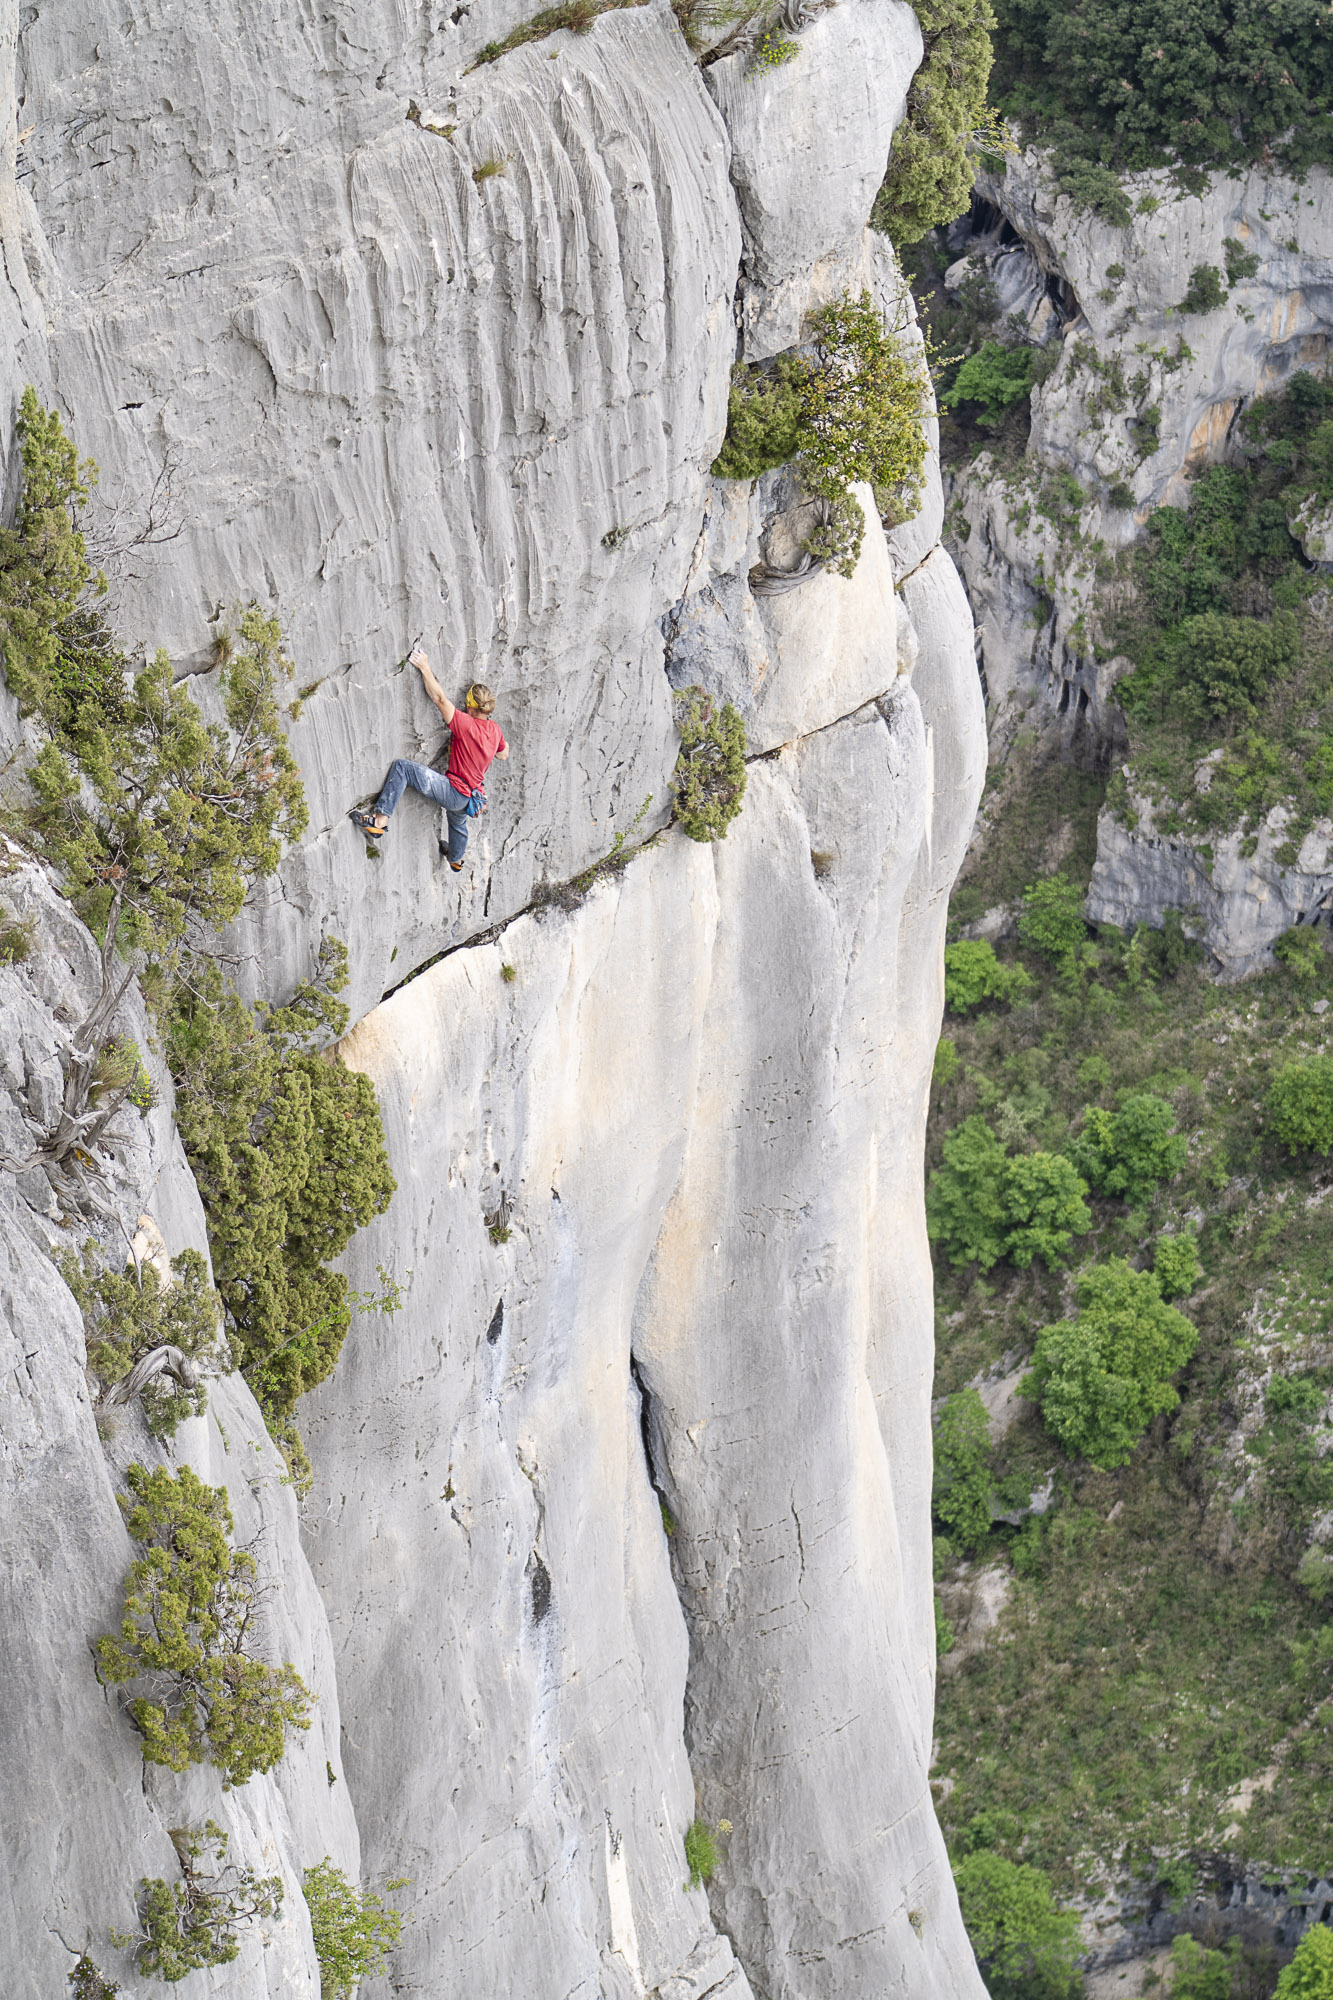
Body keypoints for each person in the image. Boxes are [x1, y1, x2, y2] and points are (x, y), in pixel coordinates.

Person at [350, 647, 509, 871]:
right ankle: (455, 858)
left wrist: (424, 666)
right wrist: (497, 745)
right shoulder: (495, 730)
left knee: (402, 768)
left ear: (470, 706)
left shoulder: (465, 724)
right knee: (458, 821)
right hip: (470, 796)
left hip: (454, 791)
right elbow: (503, 754)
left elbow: (439, 698)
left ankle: (379, 821)